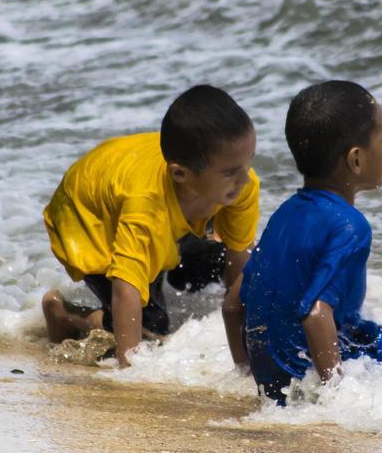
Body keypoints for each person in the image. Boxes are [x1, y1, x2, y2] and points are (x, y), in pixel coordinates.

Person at [40, 84, 259, 367]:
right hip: (87, 216)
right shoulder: (146, 207)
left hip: (160, 198)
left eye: (248, 161)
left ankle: (168, 261)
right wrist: (130, 370)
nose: (245, 178)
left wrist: (238, 323)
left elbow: (239, 253)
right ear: (181, 173)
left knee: (213, 265)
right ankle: (66, 312)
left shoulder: (241, 183)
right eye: (230, 172)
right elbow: (125, 287)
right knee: (150, 334)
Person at [239, 80, 382, 403]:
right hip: (304, 380)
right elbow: (316, 314)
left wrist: (247, 373)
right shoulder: (352, 228)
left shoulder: (284, 215)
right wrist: (335, 398)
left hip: (274, 382)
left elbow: (234, 301)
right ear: (356, 160)